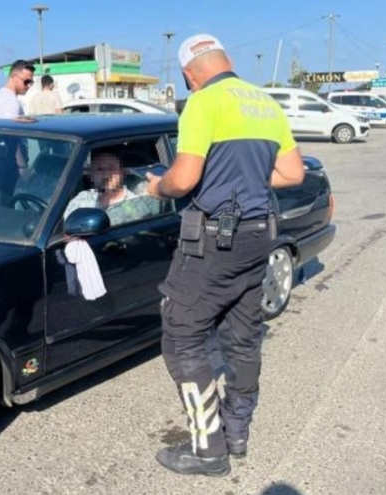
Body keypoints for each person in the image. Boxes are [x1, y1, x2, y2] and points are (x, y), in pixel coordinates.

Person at [145, 34, 305, 477]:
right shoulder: (264, 102)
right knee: (242, 334)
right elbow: (293, 172)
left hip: (215, 240)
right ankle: (237, 433)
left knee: (181, 337)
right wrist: (246, 182)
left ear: (188, 75)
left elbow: (183, 179)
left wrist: (155, 186)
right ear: (227, 60)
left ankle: (208, 449)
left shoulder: (203, 102)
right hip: (258, 237)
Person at [64, 149, 159, 226]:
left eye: (111, 168)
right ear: (91, 175)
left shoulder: (134, 202)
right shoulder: (82, 198)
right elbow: (66, 228)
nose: (106, 174)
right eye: (100, 169)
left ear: (122, 173)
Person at [0, 60, 35, 203]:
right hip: (10, 161)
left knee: (3, 198)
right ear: (14, 77)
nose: (29, 86)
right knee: (13, 199)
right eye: (26, 81)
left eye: (31, 82)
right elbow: (12, 136)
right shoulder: (11, 102)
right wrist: (22, 166)